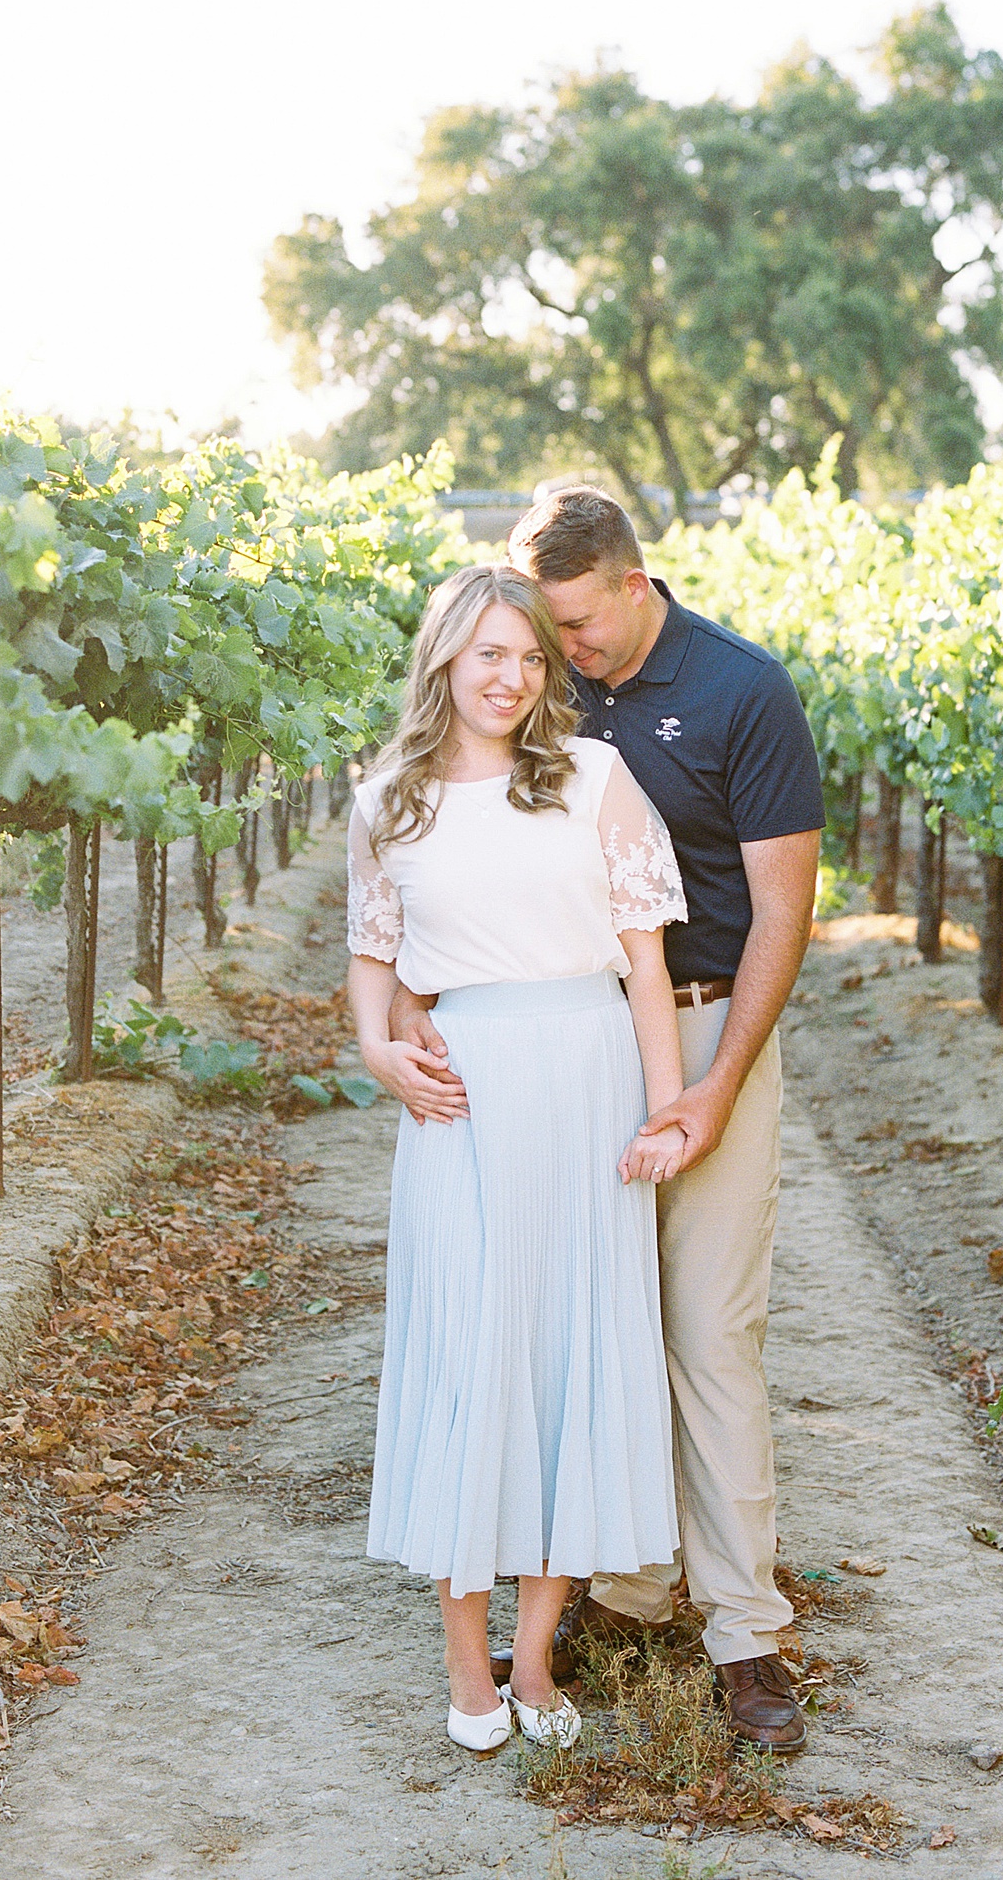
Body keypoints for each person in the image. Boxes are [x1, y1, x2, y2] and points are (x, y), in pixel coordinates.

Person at [393, 488, 824, 1755]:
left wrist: (714, 1081)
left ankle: (746, 1632)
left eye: (573, 629)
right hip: (562, 1049)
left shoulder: (746, 691)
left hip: (700, 1030)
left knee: (704, 1331)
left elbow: (783, 915)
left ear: (636, 584)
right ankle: (620, 1583)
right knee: (578, 1322)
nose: (555, 657)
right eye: (538, 635)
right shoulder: (543, 702)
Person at [346, 561, 692, 1755]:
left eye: (532, 657)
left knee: (567, 1353)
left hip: (589, 1077)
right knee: (470, 1349)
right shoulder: (388, 798)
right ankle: (466, 1670)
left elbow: (645, 963)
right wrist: (380, 1050)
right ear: (446, 655)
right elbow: (377, 965)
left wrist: (665, 1110)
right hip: (468, 1098)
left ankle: (535, 1663)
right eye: (491, 652)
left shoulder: (592, 778)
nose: (513, 677)